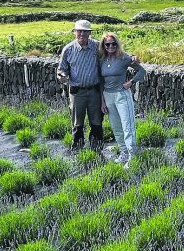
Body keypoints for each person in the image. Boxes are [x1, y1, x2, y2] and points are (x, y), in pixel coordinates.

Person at [98, 32, 146, 165]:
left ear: (117, 44)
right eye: (107, 44)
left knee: (127, 126)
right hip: (108, 96)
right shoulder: (102, 60)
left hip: (122, 95)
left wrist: (130, 82)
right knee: (116, 127)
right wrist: (102, 101)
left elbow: (142, 71)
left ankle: (132, 156)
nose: (111, 46)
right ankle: (124, 153)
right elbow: (101, 82)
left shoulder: (124, 58)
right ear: (104, 45)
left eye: (113, 44)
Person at [56, 20, 104, 151]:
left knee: (96, 120)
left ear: (89, 33)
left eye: (85, 31)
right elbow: (61, 69)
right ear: (75, 33)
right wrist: (61, 76)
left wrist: (130, 58)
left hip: (94, 90)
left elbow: (113, 54)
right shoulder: (68, 49)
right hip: (77, 92)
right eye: (79, 31)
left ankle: (97, 148)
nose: (82, 33)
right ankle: (77, 148)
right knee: (77, 122)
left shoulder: (97, 46)